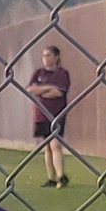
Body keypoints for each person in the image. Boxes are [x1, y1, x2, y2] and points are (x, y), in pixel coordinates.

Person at [26, 46, 72, 188]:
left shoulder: (62, 73)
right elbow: (30, 89)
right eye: (44, 55)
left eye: (48, 55)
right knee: (47, 146)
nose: (45, 58)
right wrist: (48, 88)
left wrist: (41, 90)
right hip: (41, 115)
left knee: (55, 144)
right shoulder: (38, 73)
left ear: (56, 57)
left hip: (56, 115)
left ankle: (61, 176)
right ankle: (51, 178)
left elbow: (58, 92)